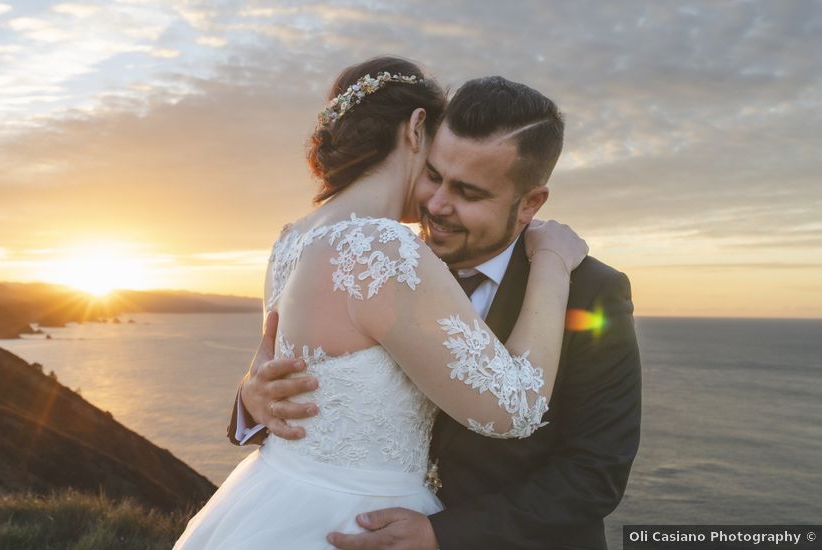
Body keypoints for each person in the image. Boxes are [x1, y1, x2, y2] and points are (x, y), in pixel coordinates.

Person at [173, 56, 588, 550]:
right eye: (437, 161)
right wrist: (553, 266)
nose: (437, 198)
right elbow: (515, 409)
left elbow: (302, 372)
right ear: (416, 129)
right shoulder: (382, 248)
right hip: (361, 521)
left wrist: (251, 396)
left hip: (275, 496)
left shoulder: (293, 238)